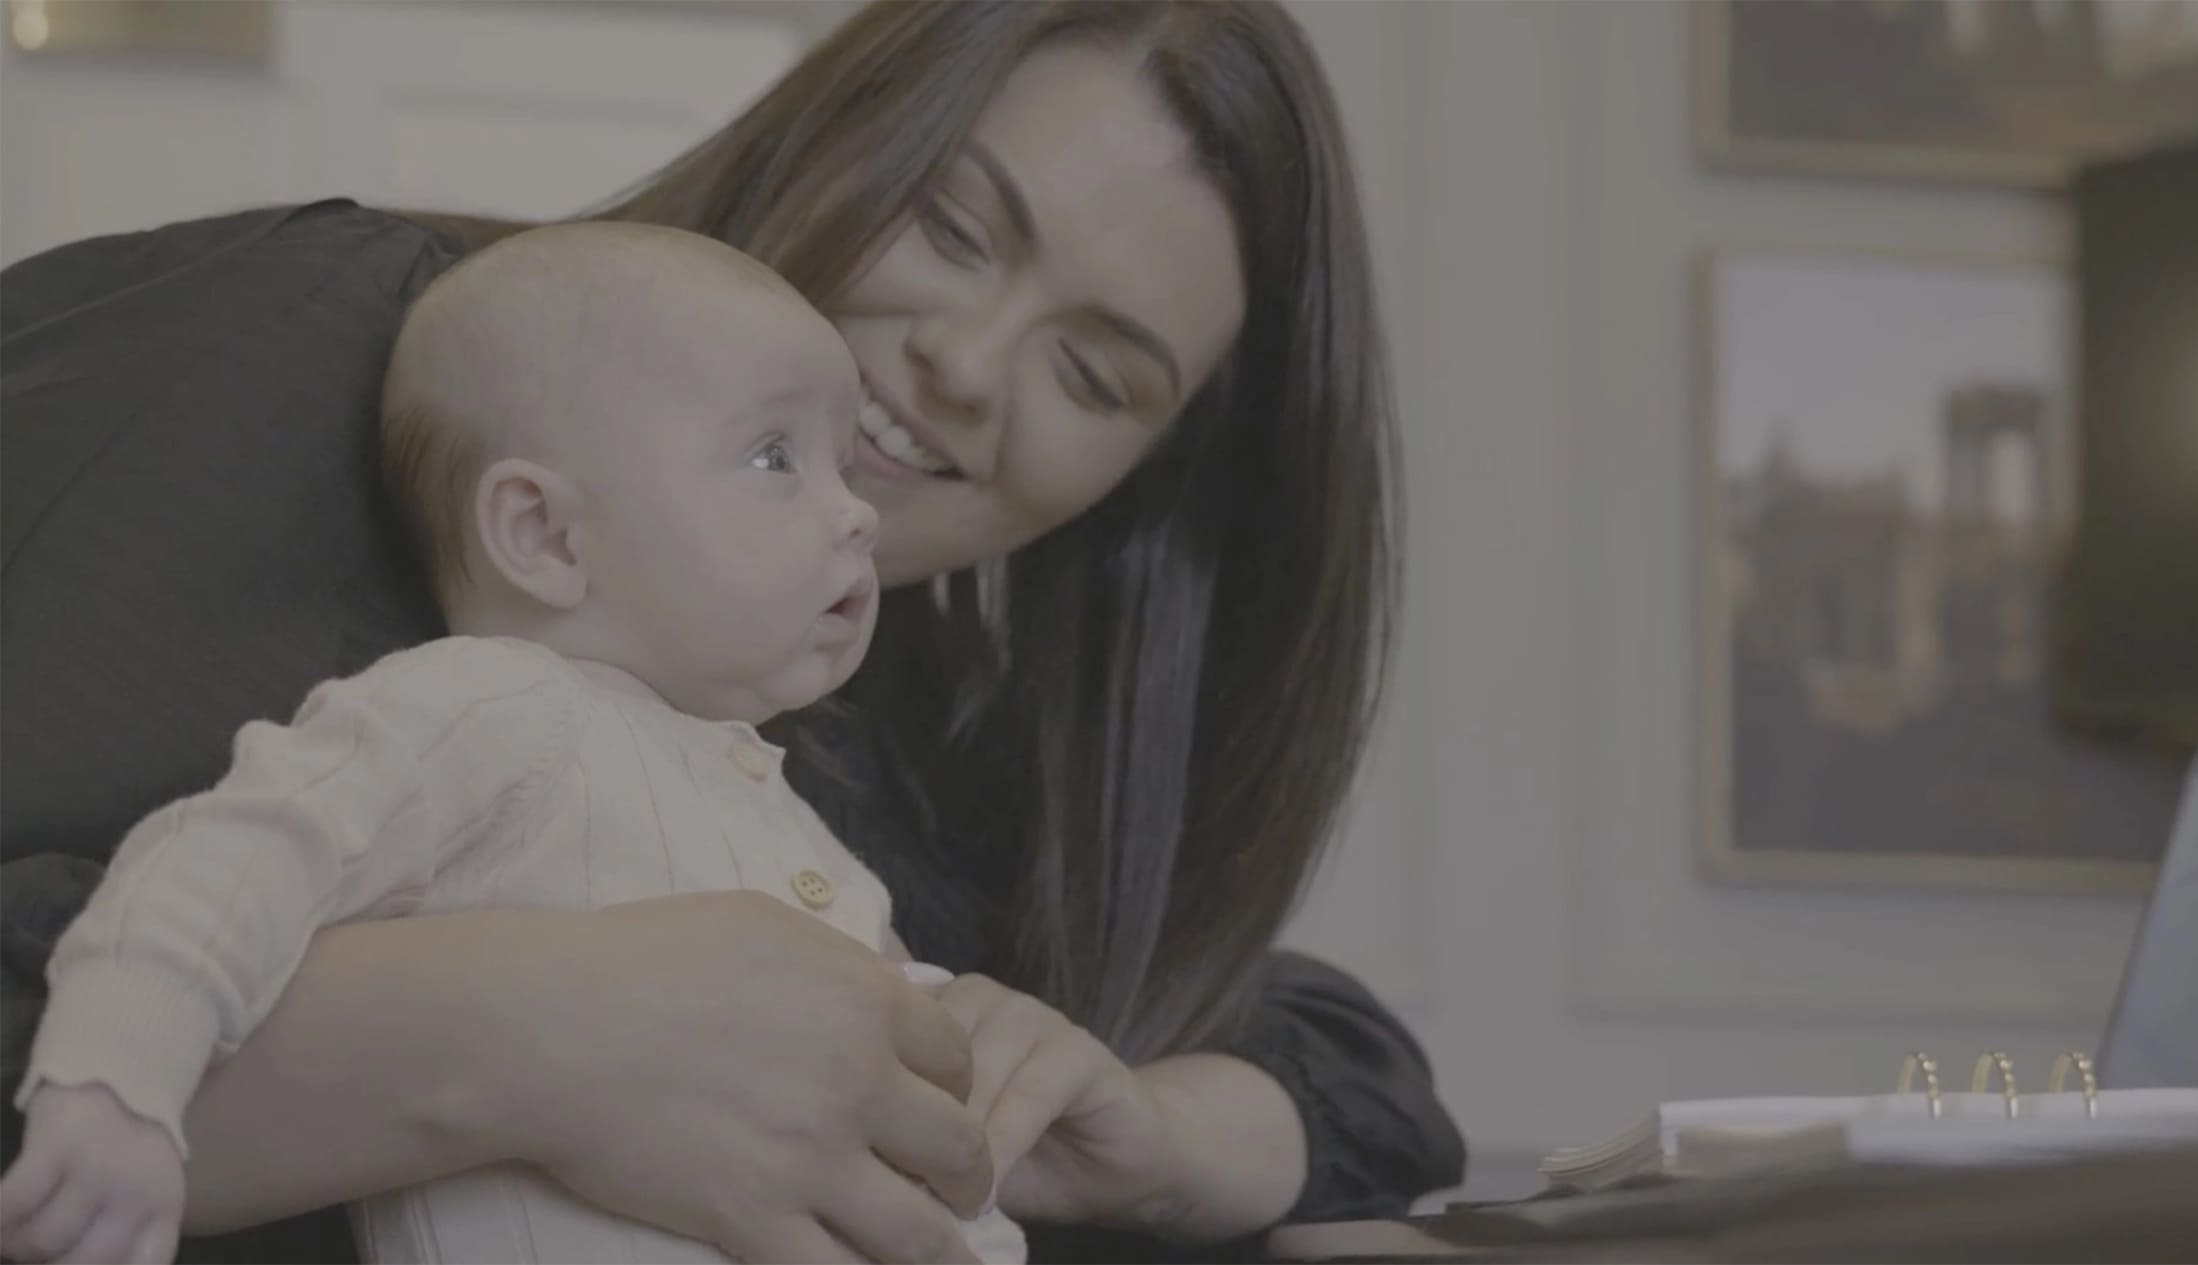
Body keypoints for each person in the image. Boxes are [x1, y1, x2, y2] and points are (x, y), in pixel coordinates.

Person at [0, 2, 1466, 1262]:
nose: (964, 363)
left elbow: (1341, 1056)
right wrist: (514, 1040)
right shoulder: (318, 347)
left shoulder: (902, 746)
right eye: (954, 224)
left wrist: (1168, 1136)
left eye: (1094, 374)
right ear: (843, 125)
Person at [0, 223, 1028, 1265]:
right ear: (544, 535)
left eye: (842, 461)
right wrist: (116, 1083)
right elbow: (231, 860)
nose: (855, 512)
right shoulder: (480, 708)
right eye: (775, 456)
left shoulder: (778, 808)